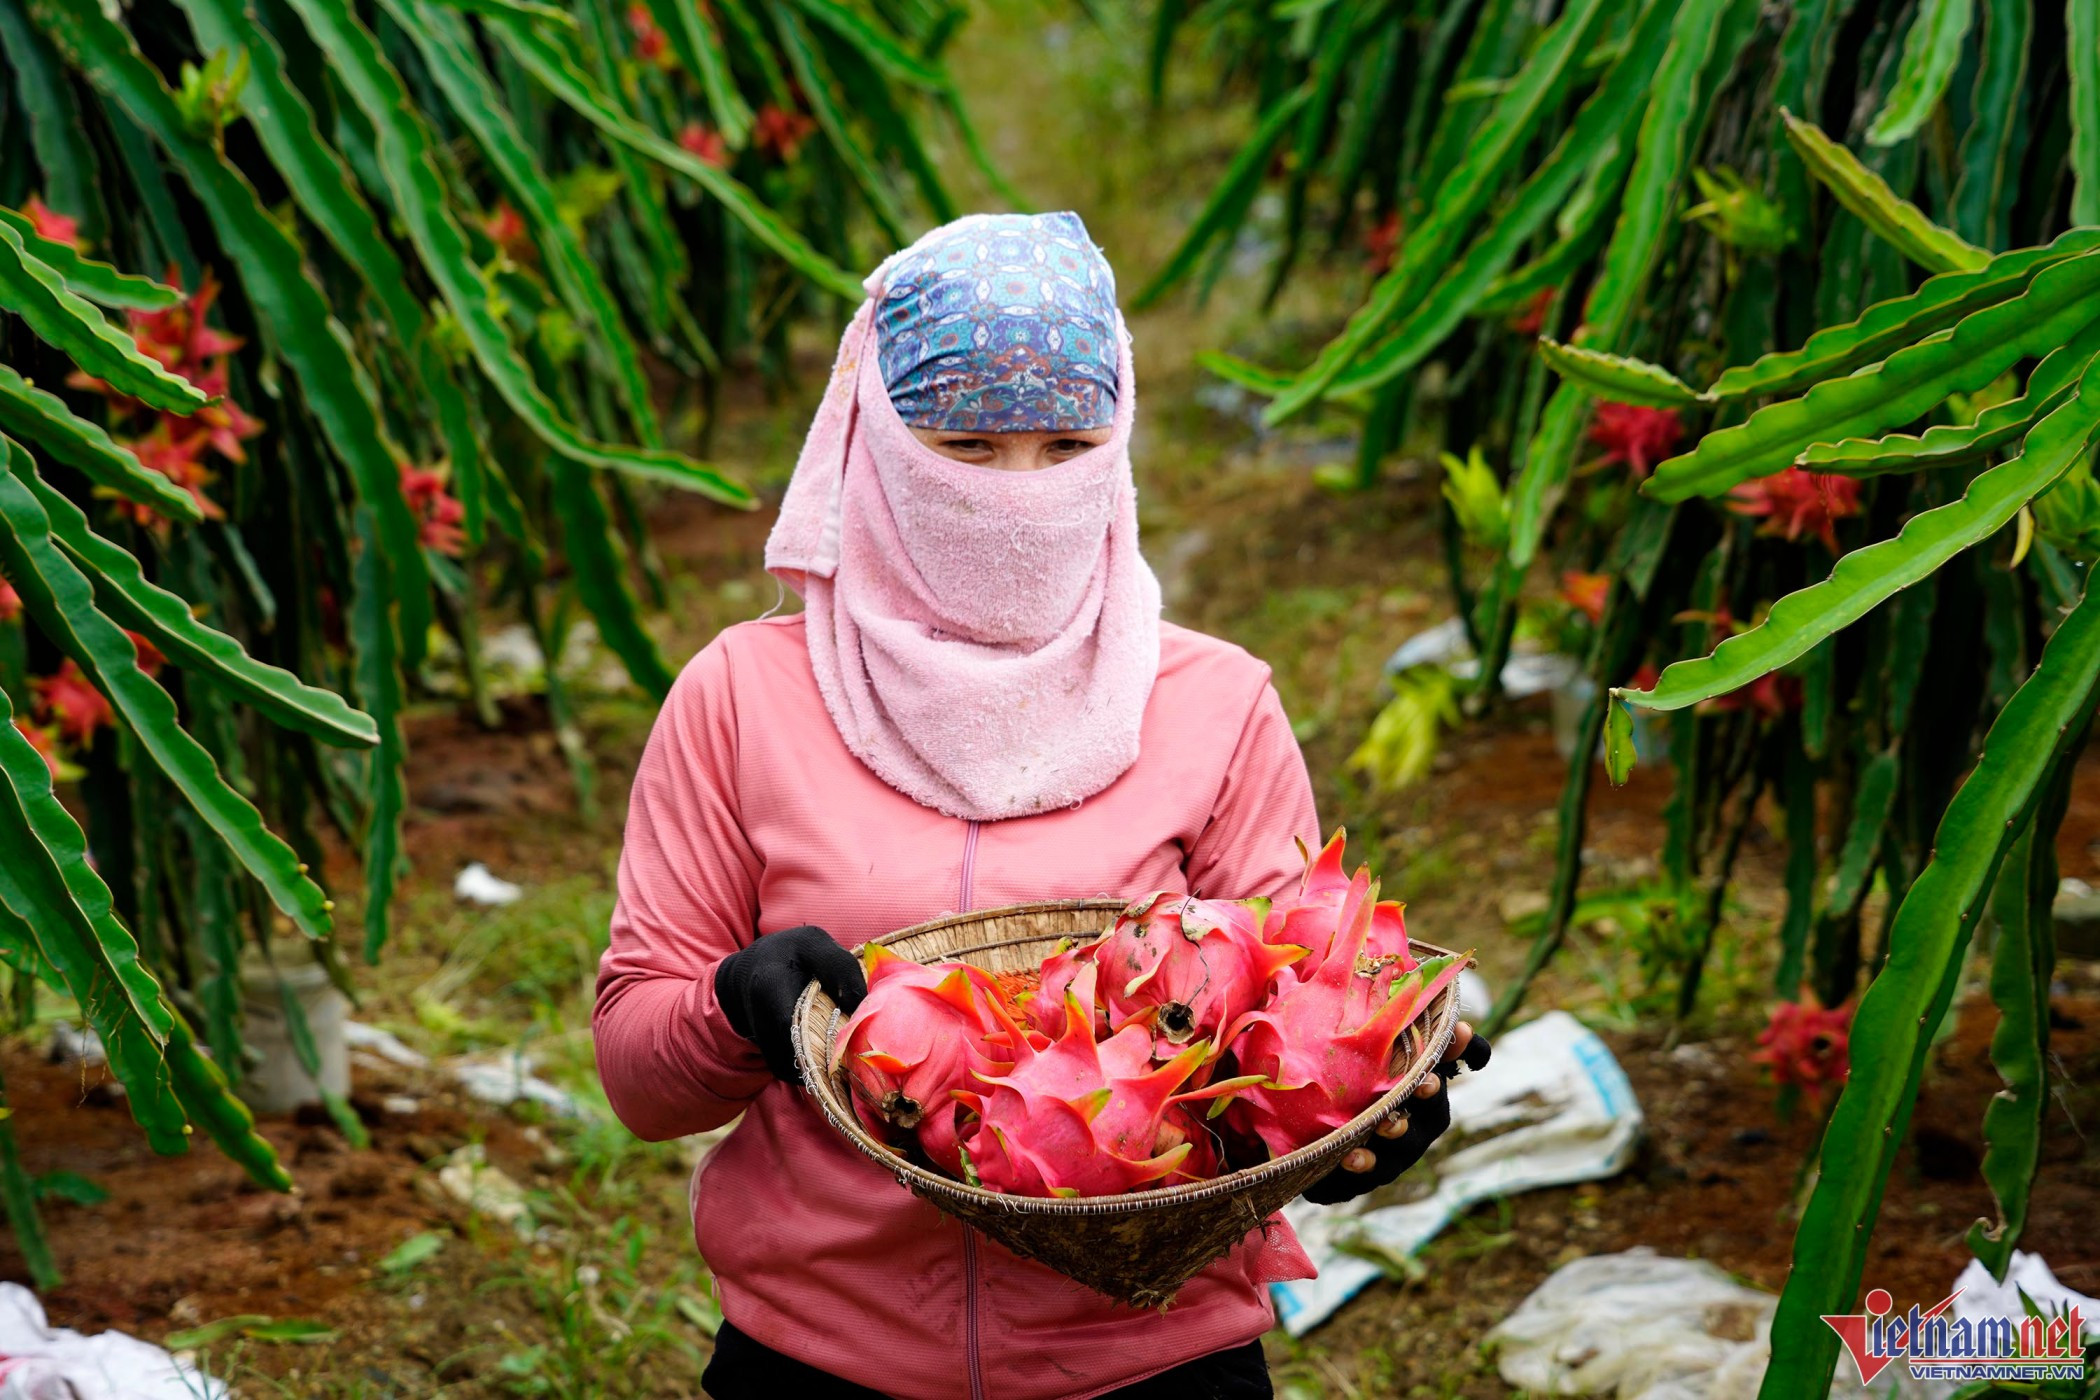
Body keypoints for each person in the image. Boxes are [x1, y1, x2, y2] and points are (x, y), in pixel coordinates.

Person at [594, 212, 1490, 1400]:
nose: (1022, 495)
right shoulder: (742, 696)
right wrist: (732, 1010)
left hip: (1157, 1366)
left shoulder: (1216, 703)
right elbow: (636, 1077)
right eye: (965, 445)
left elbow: (1289, 1022)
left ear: (1119, 438)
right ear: (874, 433)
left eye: (1069, 442)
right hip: (819, 1361)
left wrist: (1336, 1137)